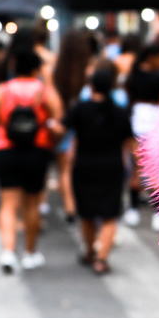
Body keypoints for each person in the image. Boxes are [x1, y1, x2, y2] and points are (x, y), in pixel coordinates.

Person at [0, 49, 62, 273]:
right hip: (37, 149)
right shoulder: (44, 91)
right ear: (36, 69)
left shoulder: (1, 90)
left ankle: (7, 251)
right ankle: (30, 252)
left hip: (5, 149)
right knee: (32, 203)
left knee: (8, 203)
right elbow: (58, 119)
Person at [62, 62, 133, 274]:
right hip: (112, 168)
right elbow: (131, 144)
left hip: (84, 166)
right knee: (110, 215)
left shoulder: (80, 109)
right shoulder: (120, 112)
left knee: (87, 213)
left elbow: (62, 129)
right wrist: (138, 171)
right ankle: (102, 258)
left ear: (91, 86)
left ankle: (90, 251)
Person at [124, 43, 159, 230]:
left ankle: (133, 209)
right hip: (154, 122)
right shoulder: (158, 78)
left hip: (136, 121)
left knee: (136, 167)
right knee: (156, 169)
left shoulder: (133, 76)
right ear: (152, 57)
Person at [51, 30, 96, 224]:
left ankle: (70, 208)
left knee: (64, 170)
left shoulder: (56, 70)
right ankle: (85, 206)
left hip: (64, 122)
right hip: (86, 124)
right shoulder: (90, 70)